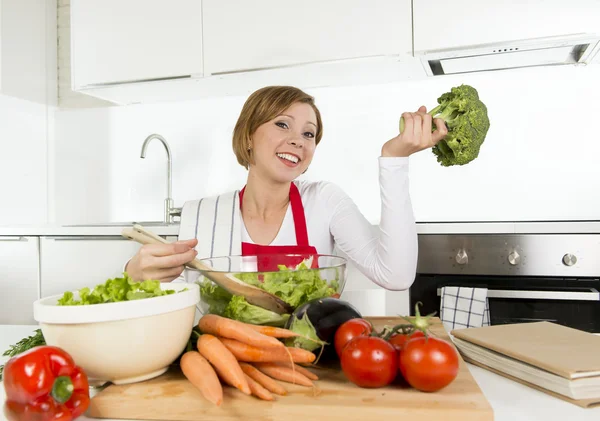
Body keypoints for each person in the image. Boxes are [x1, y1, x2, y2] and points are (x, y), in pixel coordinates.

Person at [125, 85, 447, 290]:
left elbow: (396, 275)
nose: (298, 140)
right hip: (226, 370)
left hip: (307, 369)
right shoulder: (203, 216)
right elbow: (173, 301)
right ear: (249, 135)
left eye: (309, 134)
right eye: (282, 124)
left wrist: (394, 160)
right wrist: (133, 275)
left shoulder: (323, 202)